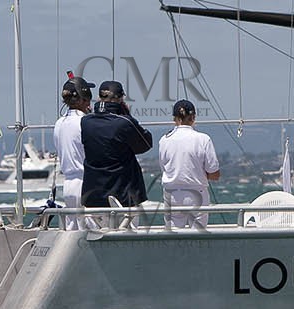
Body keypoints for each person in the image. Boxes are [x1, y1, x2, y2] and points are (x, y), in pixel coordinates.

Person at [80, 79, 153, 227]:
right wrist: (128, 115)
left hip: (93, 195)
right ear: (119, 99)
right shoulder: (123, 122)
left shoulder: (85, 122)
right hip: (122, 195)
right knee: (128, 235)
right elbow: (145, 144)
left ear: (99, 98)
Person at [157, 99, 221, 229]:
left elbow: (164, 168)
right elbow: (214, 174)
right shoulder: (203, 139)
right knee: (198, 236)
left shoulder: (164, 140)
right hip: (197, 193)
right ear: (193, 118)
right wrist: (200, 173)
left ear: (174, 118)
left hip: (172, 194)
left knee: (173, 235)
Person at [53, 74, 92, 230]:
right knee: (90, 231)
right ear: (84, 99)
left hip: (68, 184)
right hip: (86, 182)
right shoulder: (86, 122)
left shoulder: (59, 123)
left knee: (71, 230)